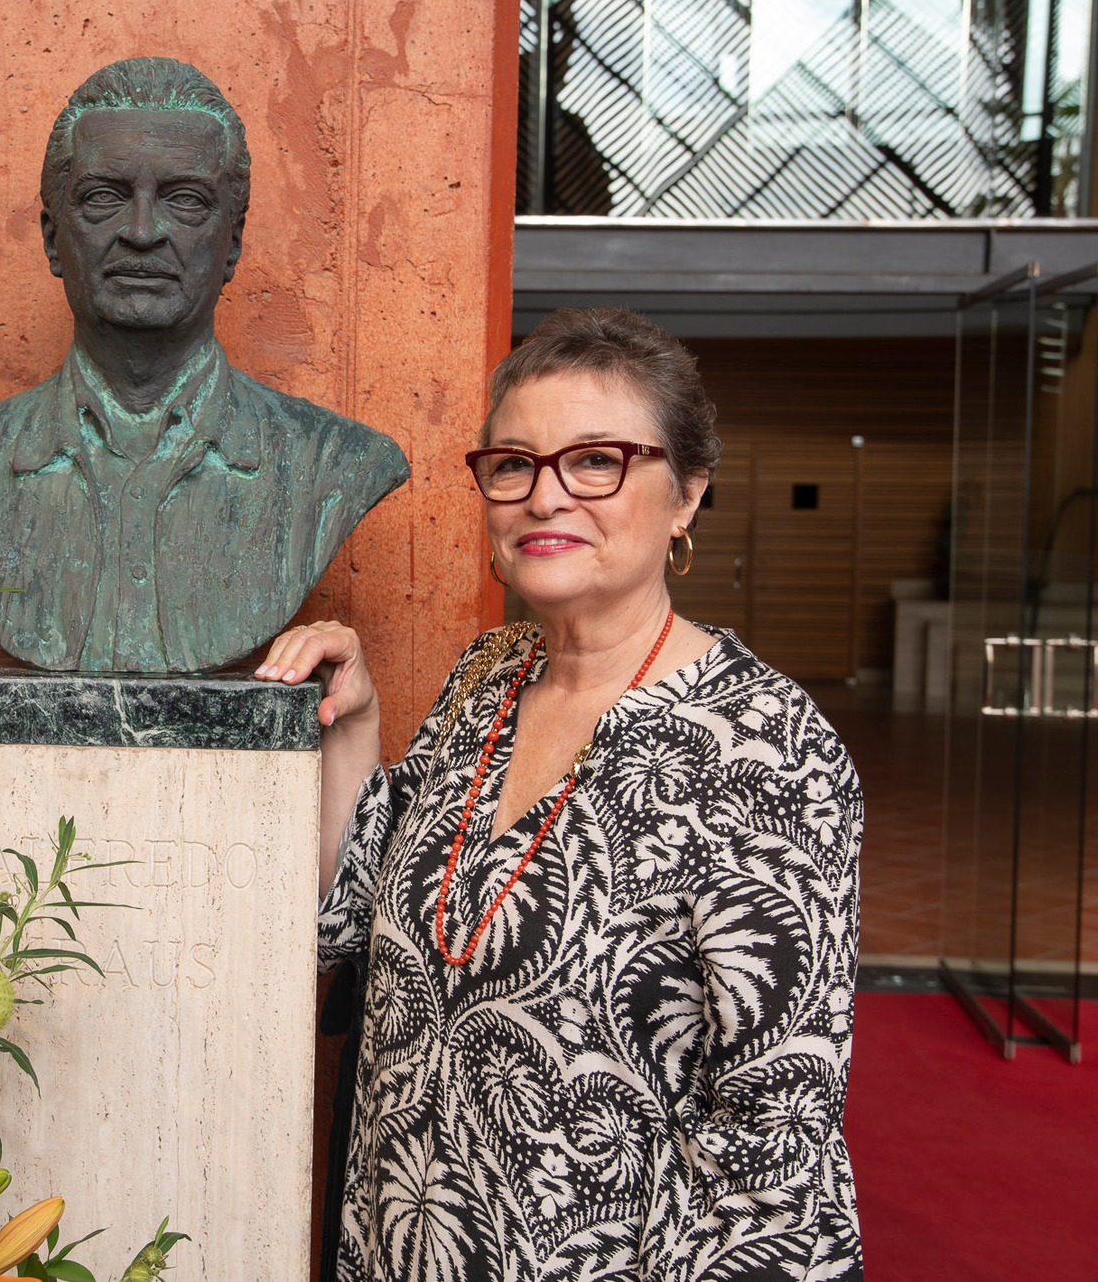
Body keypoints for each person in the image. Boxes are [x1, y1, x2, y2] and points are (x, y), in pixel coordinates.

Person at [256, 308, 863, 1281]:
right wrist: (357, 721)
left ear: (686, 495)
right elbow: (345, 923)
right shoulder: (487, 678)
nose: (544, 497)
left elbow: (769, 1148)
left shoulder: (765, 753)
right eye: (512, 464)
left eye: (596, 461)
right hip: (395, 1239)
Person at [0, 56, 408, 673]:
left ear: (231, 243)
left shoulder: (335, 464)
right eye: (105, 197)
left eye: (184, 200)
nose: (141, 230)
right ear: (53, 238)